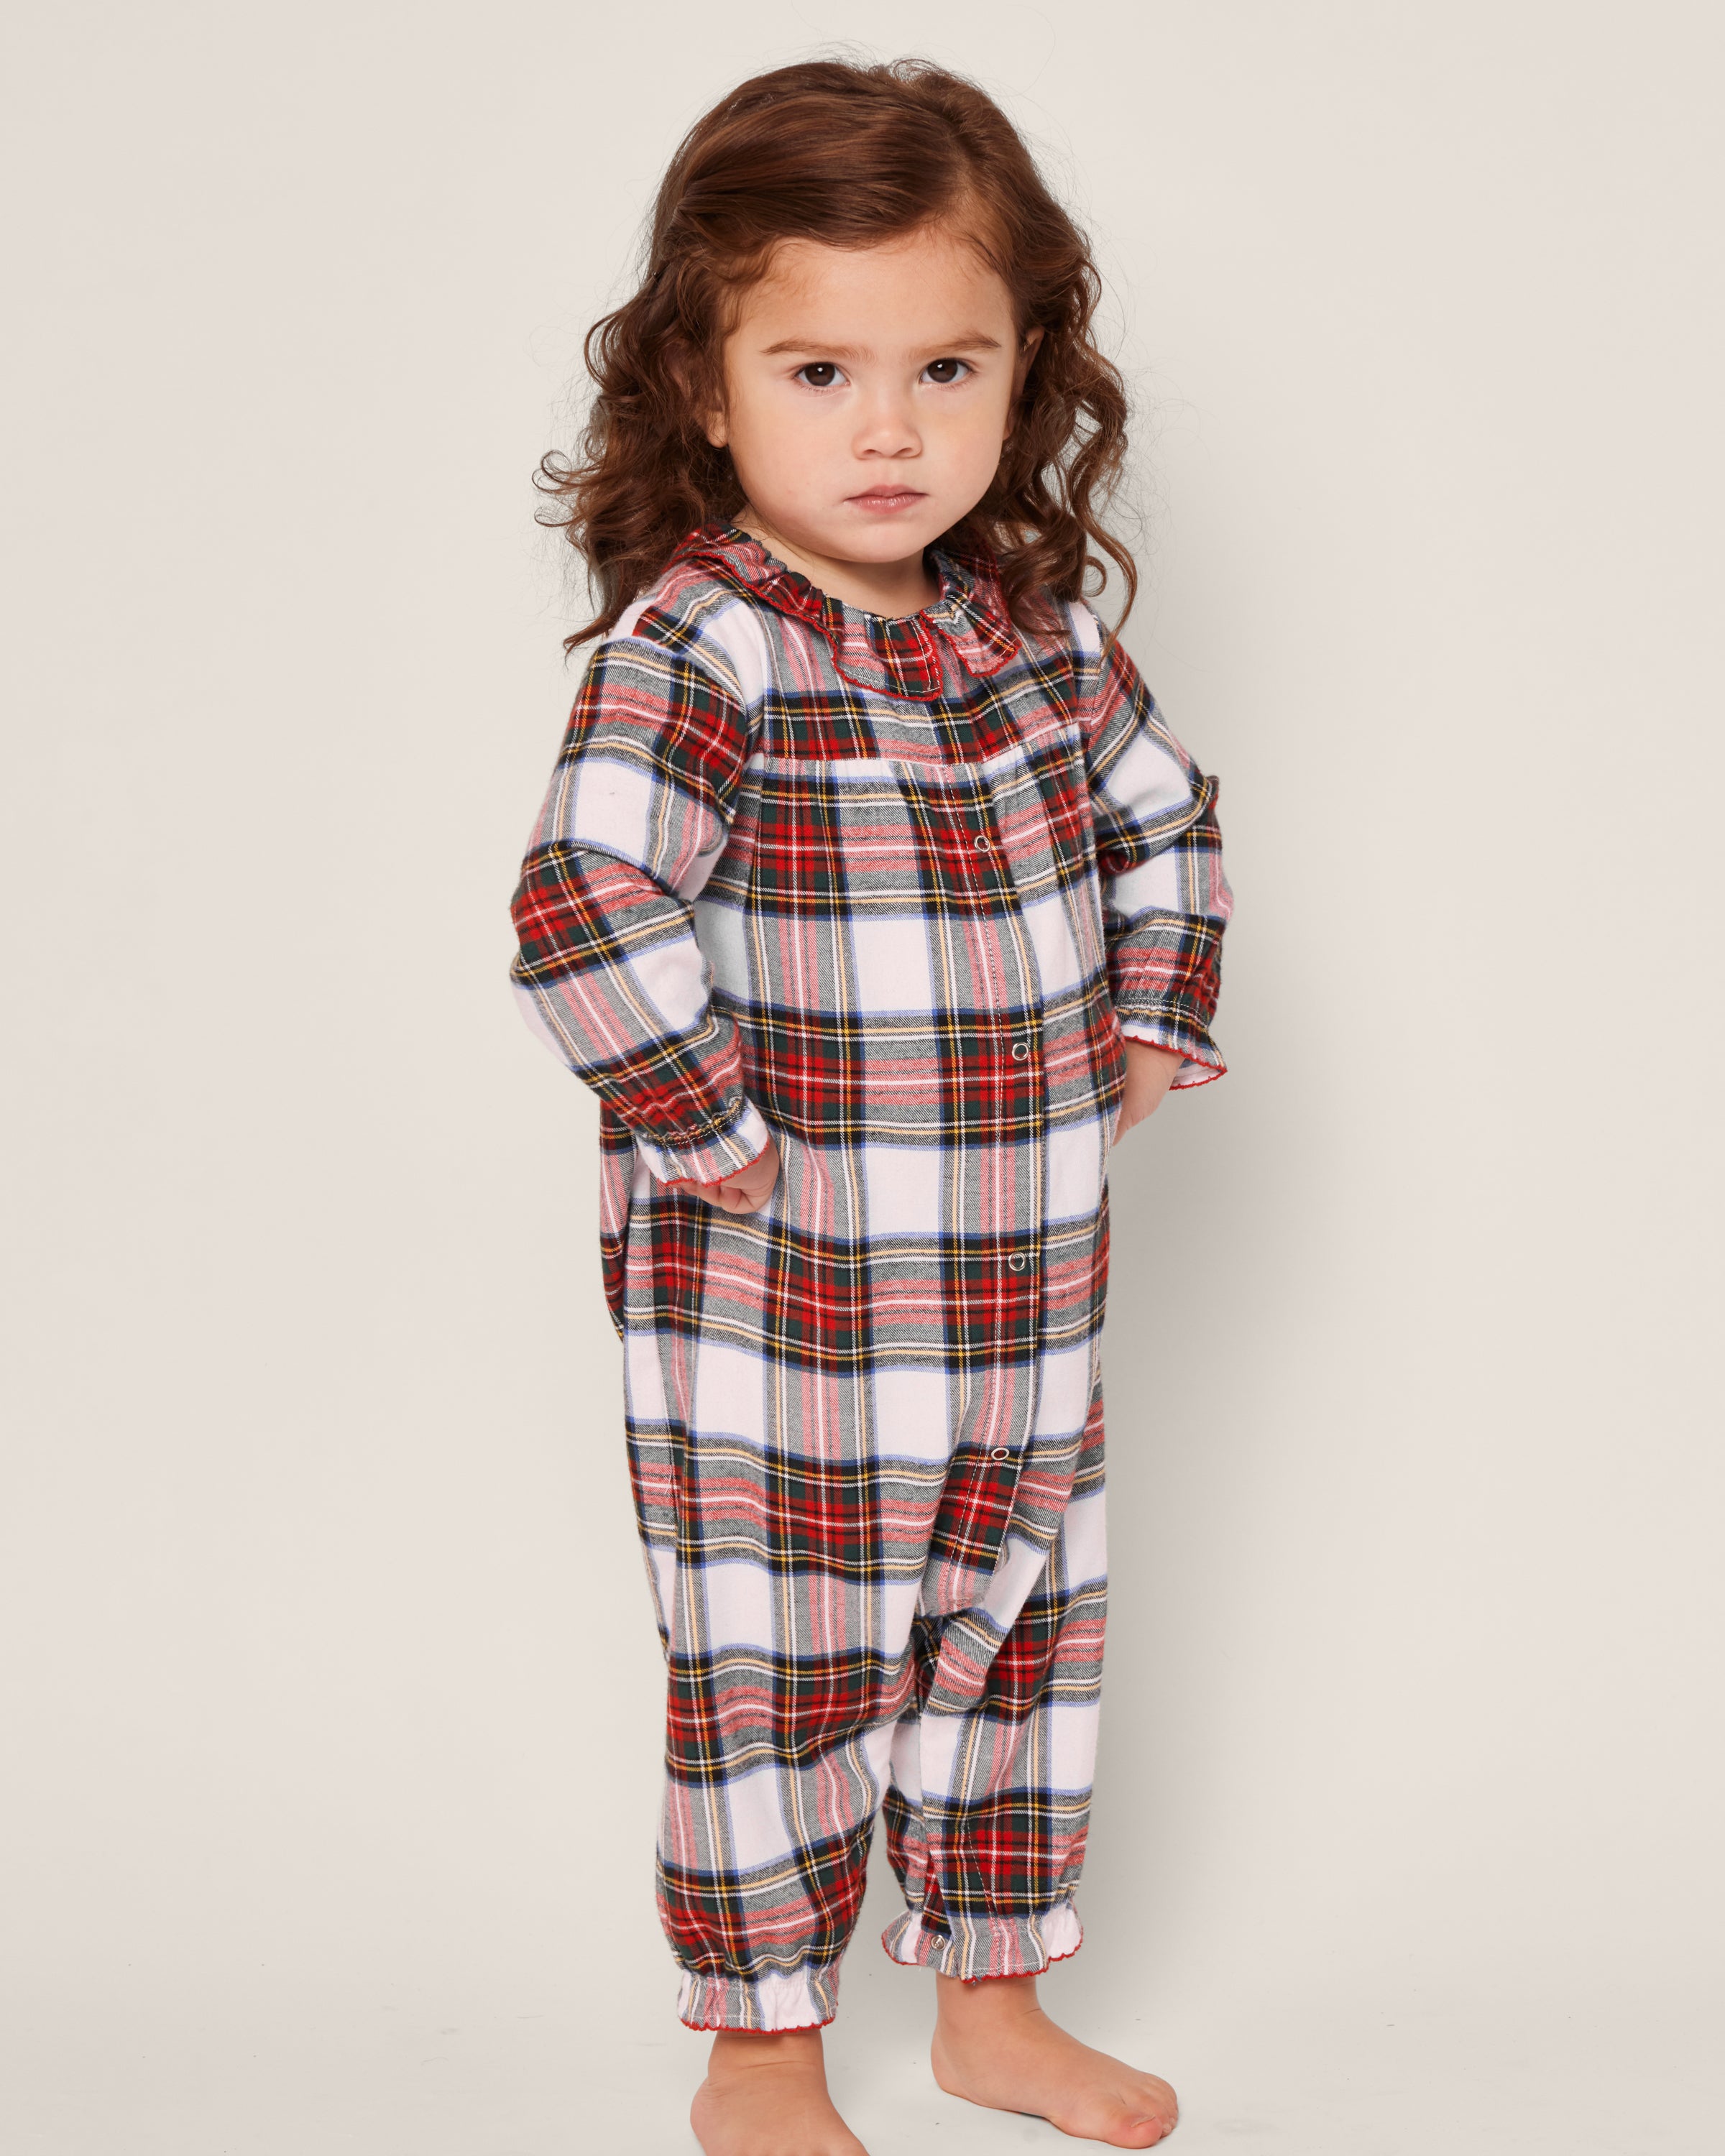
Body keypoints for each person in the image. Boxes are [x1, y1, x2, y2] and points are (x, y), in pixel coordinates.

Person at [508, 56, 1232, 2156]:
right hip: (781, 1320)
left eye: (947, 368)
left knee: (1023, 1641)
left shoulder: (1035, 641)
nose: (890, 428)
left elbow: (1169, 821)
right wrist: (728, 1146)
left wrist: (1151, 1020)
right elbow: (582, 904)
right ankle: (760, 2055)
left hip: (1022, 1293)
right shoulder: (704, 650)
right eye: (820, 371)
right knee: (785, 1673)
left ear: (1028, 377)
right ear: (707, 387)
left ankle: (995, 2006)